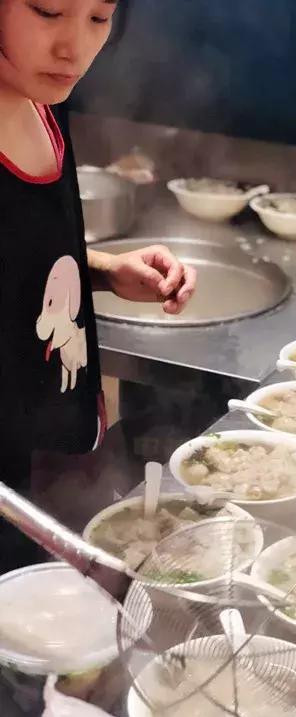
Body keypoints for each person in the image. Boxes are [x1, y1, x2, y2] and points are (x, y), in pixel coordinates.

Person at [0, 0, 197, 568]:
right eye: (47, 11)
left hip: (51, 447)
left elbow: (18, 253)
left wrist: (106, 271)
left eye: (98, 17)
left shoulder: (43, 99)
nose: (74, 49)